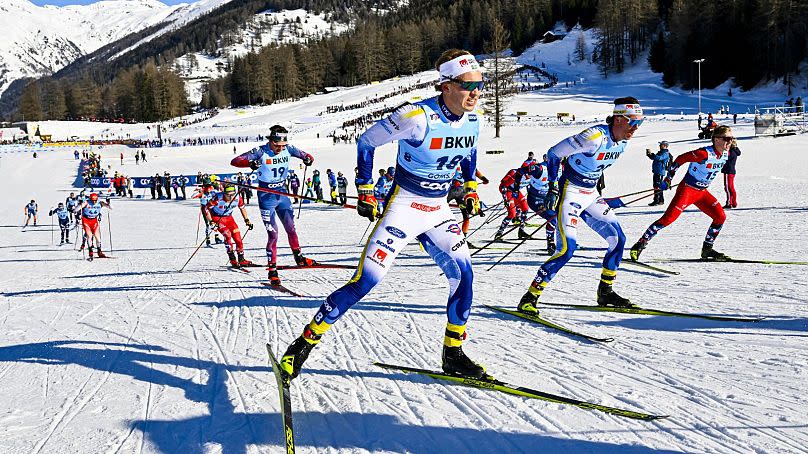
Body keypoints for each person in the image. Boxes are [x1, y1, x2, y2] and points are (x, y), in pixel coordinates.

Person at [278, 49, 485, 382]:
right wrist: (364, 187)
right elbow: (367, 141)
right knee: (366, 282)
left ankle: (453, 354)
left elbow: (469, 152)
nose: (475, 92)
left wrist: (470, 187)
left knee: (465, 276)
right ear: (445, 85)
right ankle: (302, 345)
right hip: (404, 207)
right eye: (467, 85)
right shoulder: (417, 117)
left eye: (480, 84)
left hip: (438, 210)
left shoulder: (474, 119)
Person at [517, 97, 645, 314]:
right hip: (570, 193)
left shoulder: (623, 141)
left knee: (618, 239)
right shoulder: (593, 137)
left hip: (591, 194)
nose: (636, 128)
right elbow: (553, 153)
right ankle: (530, 297)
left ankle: (605, 292)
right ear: (619, 119)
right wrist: (552, 188)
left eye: (640, 123)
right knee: (567, 250)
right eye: (633, 122)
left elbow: (596, 168)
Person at [630, 125, 735, 262]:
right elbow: (680, 159)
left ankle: (707, 249)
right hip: (688, 190)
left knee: (720, 216)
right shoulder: (703, 154)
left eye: (731, 139)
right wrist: (668, 179)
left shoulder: (726, 153)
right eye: (726, 138)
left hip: (702, 192)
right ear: (716, 140)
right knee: (667, 219)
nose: (729, 142)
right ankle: (639, 245)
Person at [231, 125, 318, 285]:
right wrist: (250, 164)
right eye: (277, 145)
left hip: (282, 195)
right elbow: (235, 161)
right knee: (274, 235)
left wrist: (308, 159)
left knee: (291, 229)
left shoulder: (289, 148)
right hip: (266, 198)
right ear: (271, 140)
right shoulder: (260, 151)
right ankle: (272, 270)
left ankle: (299, 258)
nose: (280, 148)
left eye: (283, 146)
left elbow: (308, 156)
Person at [203, 184, 255, 267]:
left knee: (238, 238)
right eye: (228, 195)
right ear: (224, 193)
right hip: (217, 218)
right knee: (227, 235)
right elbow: (205, 209)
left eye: (232, 194)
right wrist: (211, 221)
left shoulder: (238, 198)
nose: (231, 197)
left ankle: (241, 259)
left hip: (229, 219)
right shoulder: (217, 198)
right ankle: (232, 259)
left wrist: (247, 220)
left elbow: (242, 208)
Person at [446, 166, 489, 247]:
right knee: (466, 217)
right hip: (463, 190)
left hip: (452, 189)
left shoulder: (452, 159)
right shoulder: (468, 163)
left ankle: (432, 234)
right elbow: (476, 171)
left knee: (438, 210)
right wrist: (484, 179)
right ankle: (463, 240)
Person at [524, 156, 558, 255]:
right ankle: (550, 244)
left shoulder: (562, 170)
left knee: (561, 218)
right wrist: (516, 188)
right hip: (535, 199)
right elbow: (520, 171)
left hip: (547, 198)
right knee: (552, 218)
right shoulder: (540, 169)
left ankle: (562, 242)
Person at [494, 166, 531, 240]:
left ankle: (521, 231)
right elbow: (503, 186)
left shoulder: (534, 175)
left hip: (515, 191)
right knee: (512, 214)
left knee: (525, 208)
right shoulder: (515, 173)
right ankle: (499, 233)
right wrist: (505, 199)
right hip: (507, 190)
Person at [77, 192, 111, 260]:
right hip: (86, 221)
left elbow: (111, 208)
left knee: (98, 238)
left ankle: (99, 251)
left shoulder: (100, 203)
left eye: (95, 200)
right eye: (93, 200)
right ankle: (90, 252)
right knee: (89, 236)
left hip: (94, 221)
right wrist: (79, 205)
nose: (94, 202)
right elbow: (75, 209)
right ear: (90, 199)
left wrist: (108, 203)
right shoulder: (86, 202)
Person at [646, 141, 672, 206]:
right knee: (656, 186)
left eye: (661, 145)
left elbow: (659, 158)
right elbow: (655, 158)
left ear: (665, 146)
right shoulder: (661, 152)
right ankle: (657, 200)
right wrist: (650, 155)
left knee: (658, 186)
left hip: (660, 171)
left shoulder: (666, 153)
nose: (660, 146)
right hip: (656, 171)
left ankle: (659, 200)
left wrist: (653, 155)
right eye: (660, 145)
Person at [722, 139, 741, 208]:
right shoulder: (735, 151)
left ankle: (729, 203)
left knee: (728, 188)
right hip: (731, 171)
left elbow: (724, 158)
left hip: (728, 171)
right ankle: (734, 202)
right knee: (731, 187)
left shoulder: (730, 151)